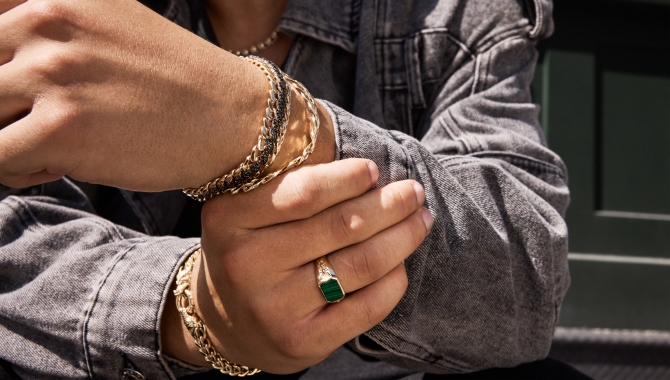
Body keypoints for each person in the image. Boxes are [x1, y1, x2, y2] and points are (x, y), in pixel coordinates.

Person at [0, 0, 582, 378]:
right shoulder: (59, 12)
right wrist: (196, 309)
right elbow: (19, 246)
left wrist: (263, 123)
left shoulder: (450, 15)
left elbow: (525, 275)